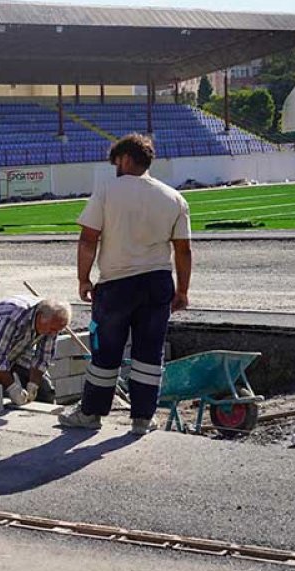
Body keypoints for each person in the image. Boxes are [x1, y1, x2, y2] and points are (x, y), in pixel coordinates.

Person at [58, 133, 191, 435]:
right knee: (149, 353)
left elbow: (88, 238)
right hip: (157, 283)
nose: (115, 166)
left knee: (106, 352)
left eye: (117, 160)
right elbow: (183, 250)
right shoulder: (174, 198)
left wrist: (83, 278)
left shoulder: (107, 191)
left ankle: (91, 414)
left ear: (127, 158)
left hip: (116, 284)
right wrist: (182, 290)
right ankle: (142, 419)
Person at [0, 296, 70, 405]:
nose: (54, 334)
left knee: (44, 390)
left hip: (22, 346)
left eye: (58, 331)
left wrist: (33, 384)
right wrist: (12, 389)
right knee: (2, 399)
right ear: (40, 318)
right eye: (53, 329)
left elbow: (43, 358)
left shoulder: (52, 324)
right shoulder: (12, 318)